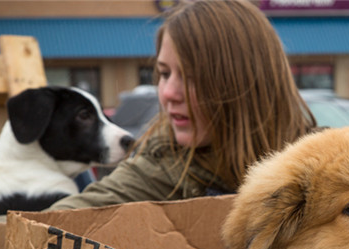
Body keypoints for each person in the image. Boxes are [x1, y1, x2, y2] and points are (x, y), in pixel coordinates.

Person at [49, 0, 316, 210]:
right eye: (164, 74)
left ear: (243, 84)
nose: (169, 93)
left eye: (192, 76)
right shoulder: (161, 166)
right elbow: (60, 219)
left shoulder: (324, 170)